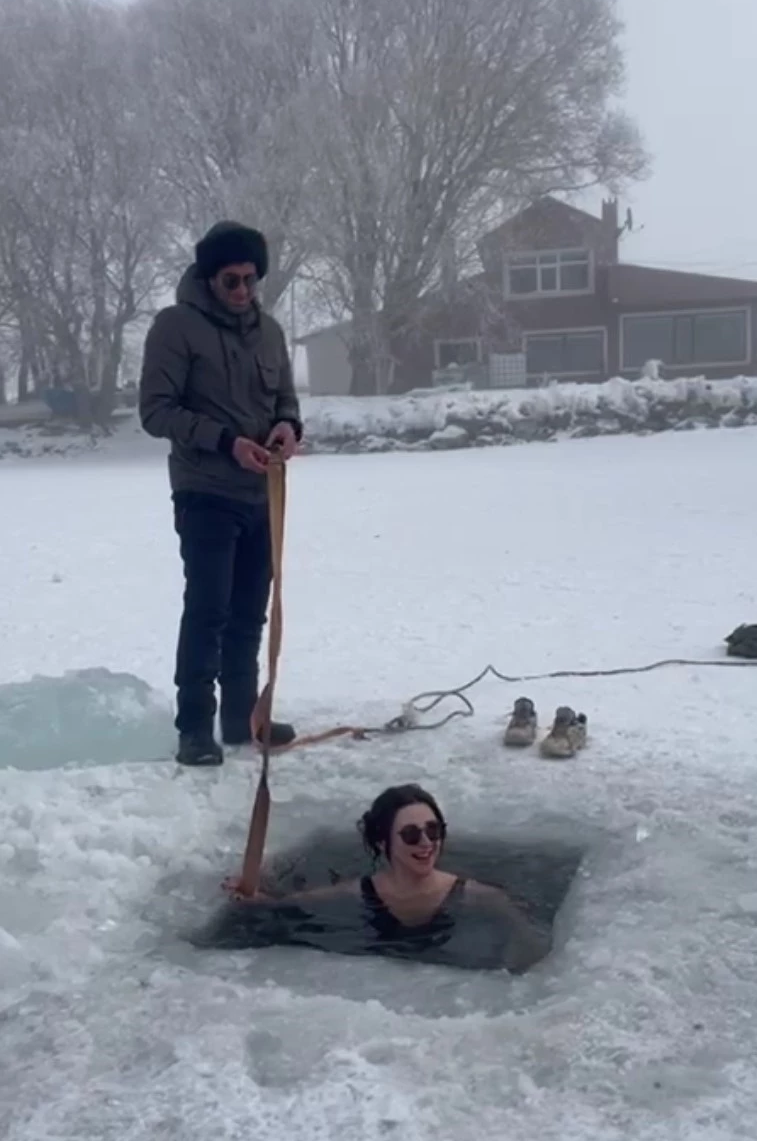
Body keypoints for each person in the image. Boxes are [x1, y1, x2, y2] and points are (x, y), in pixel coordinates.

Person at [139, 220, 302, 767]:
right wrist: (225, 442)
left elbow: (285, 400)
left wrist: (287, 429)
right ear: (208, 278)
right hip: (205, 490)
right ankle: (194, 728)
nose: (241, 292)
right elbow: (156, 411)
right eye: (230, 280)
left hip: (262, 493)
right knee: (207, 608)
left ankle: (241, 717)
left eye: (250, 280)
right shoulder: (175, 328)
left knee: (249, 612)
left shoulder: (271, 332)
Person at [205, 785, 553, 973]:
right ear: (384, 842)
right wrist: (251, 893)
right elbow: (285, 907)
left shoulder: (476, 896)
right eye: (412, 835)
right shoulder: (358, 893)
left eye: (434, 831)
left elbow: (527, 940)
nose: (427, 843)